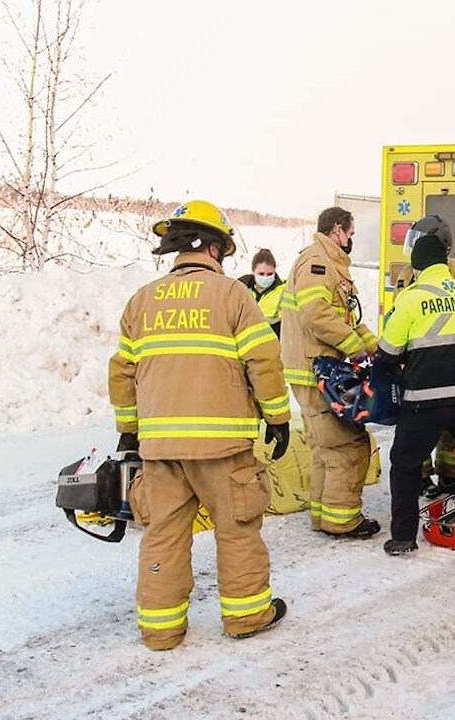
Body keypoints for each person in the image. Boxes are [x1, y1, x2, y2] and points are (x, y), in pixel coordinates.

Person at [108, 200, 292, 651]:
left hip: (161, 449)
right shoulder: (233, 296)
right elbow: (262, 360)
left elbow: (122, 372)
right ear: (214, 248)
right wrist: (278, 417)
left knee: (163, 534)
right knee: (237, 527)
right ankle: (247, 616)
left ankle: (161, 629)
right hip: (222, 448)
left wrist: (130, 430)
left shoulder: (142, 300)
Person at [377, 233, 455, 571]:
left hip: (426, 400)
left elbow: (388, 351)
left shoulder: (411, 297)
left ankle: (403, 538)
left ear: (417, 266)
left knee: (405, 463)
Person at [280, 206, 381, 538]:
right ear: (337, 230)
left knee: (326, 448)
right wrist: (354, 346)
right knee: (347, 445)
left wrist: (373, 345)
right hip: (320, 371)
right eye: (350, 234)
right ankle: (342, 520)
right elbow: (317, 315)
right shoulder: (318, 263)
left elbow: (347, 317)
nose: (351, 240)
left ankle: (324, 516)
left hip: (317, 369)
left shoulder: (330, 265)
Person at [393, 215, 455, 498]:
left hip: (446, 361)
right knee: (415, 424)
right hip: (415, 360)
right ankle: (420, 475)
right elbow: (399, 313)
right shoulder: (407, 273)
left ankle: (449, 476)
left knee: (449, 430)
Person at [238, 248, 286, 337]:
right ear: (253, 271)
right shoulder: (241, 289)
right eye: (261, 274)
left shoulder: (284, 291)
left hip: (272, 340)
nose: (265, 277)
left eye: (269, 274)